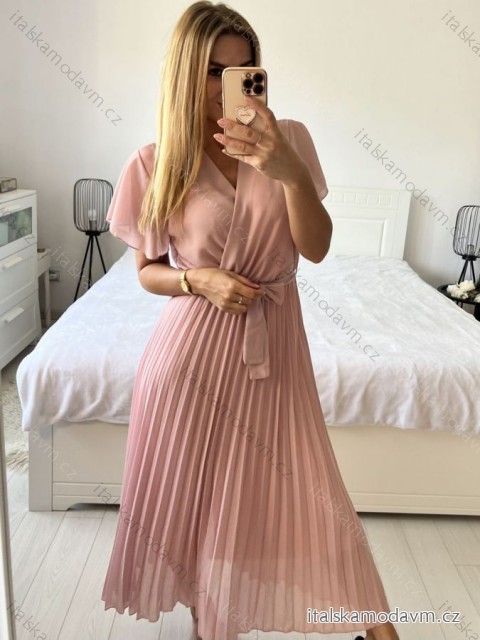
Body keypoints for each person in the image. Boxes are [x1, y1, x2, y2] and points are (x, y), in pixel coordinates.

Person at [101, 2, 400, 639]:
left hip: (276, 347)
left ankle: (378, 626)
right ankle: (211, 624)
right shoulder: (154, 162)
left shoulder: (290, 138)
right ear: (185, 73)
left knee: (315, 488)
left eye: (244, 70)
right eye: (214, 70)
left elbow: (315, 248)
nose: (229, 86)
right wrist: (198, 279)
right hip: (190, 359)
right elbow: (148, 271)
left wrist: (288, 172)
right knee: (204, 508)